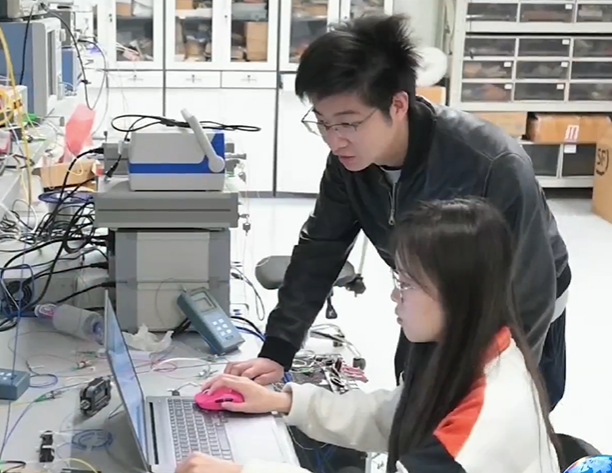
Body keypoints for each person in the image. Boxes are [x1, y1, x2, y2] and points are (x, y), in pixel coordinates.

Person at [225, 14, 571, 409]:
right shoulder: (349, 164)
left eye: (348, 123)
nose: (334, 141)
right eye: (322, 123)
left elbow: (529, 290)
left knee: (497, 420)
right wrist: (278, 350)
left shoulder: (491, 164)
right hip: (431, 297)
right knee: (413, 405)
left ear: (398, 104)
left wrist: (500, 393)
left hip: (512, 308)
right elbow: (320, 249)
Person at [177, 199, 561, 473]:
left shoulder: (481, 427)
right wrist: (282, 401)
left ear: (458, 295)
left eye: (407, 284)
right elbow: (391, 417)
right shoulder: (469, 349)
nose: (395, 296)